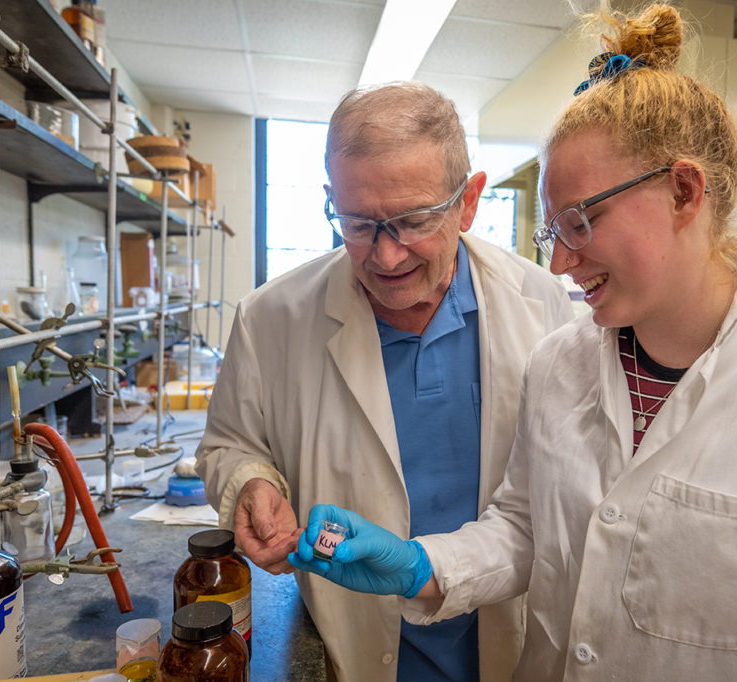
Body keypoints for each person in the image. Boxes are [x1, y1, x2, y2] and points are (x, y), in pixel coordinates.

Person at [289, 4, 737, 680]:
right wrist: (421, 566)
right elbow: (528, 530)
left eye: (579, 221)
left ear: (684, 191)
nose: (556, 263)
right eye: (553, 231)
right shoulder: (560, 362)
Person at [195, 81, 574, 682]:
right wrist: (250, 484)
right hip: (351, 638)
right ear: (331, 200)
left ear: (468, 202)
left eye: (413, 220)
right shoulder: (272, 317)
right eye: (358, 223)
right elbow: (228, 444)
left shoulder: (544, 308)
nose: (387, 256)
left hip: (508, 638)